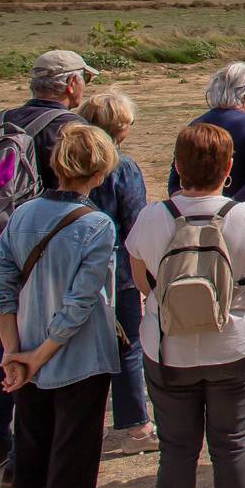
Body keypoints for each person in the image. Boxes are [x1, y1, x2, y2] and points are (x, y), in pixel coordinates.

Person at [126, 122, 245, 488]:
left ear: (176, 167)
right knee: (231, 443)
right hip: (231, 346)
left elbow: (141, 283)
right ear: (229, 169)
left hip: (168, 350)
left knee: (176, 450)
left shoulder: (152, 218)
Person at [0, 122, 121, 488]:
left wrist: (14, 351)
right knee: (74, 456)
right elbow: (81, 303)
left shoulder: (22, 215)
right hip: (77, 357)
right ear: (101, 169)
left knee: (32, 449)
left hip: (25, 349)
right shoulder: (96, 225)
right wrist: (40, 353)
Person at [0, 51, 93, 481]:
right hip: (54, 254)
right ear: (70, 84)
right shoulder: (71, 130)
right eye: (83, 81)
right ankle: (23, 461)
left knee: (8, 343)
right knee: (52, 348)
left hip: (4, 251)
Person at [168, 63, 245, 417]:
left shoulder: (195, 126)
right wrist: (229, 210)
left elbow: (173, 184)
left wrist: (197, 211)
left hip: (192, 224)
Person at [79, 91, 155, 453]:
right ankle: (136, 425)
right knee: (128, 346)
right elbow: (136, 222)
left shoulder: (66, 160)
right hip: (118, 272)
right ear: (118, 128)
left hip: (75, 269)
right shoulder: (122, 167)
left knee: (84, 346)